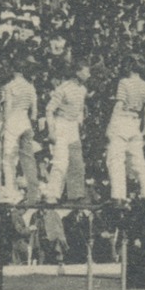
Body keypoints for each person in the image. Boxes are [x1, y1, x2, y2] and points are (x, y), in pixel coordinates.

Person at [43, 62, 91, 202]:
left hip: (73, 127)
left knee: (77, 162)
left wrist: (80, 123)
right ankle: (52, 194)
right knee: (61, 161)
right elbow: (49, 110)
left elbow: (81, 108)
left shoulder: (83, 89)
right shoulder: (63, 88)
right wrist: (51, 131)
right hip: (61, 124)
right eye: (86, 71)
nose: (88, 75)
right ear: (77, 72)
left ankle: (76, 195)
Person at [107, 64, 145, 201]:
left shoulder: (124, 82)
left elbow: (119, 104)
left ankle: (118, 195)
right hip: (135, 122)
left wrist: (111, 124)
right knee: (138, 161)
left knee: (115, 159)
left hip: (122, 119)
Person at [0, 67, 39, 203]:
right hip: (25, 122)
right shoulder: (30, 87)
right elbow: (34, 112)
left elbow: (8, 107)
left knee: (9, 159)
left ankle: (11, 191)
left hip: (13, 122)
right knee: (28, 159)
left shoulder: (9, 86)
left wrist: (4, 126)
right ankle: (34, 192)